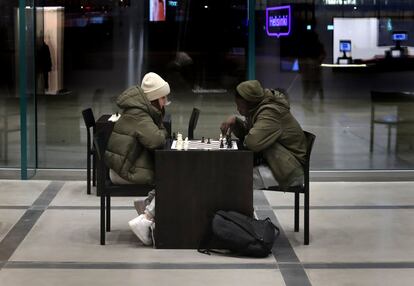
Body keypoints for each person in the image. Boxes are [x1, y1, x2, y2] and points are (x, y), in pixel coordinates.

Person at [104, 72, 170, 246]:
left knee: (170, 175)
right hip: (123, 171)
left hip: (126, 166)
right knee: (172, 179)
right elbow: (156, 139)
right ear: (155, 98)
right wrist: (162, 130)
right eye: (163, 98)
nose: (165, 102)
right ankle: (147, 217)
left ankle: (147, 205)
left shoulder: (140, 112)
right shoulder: (138, 115)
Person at [220, 80, 307, 189]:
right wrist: (235, 122)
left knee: (236, 179)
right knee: (232, 175)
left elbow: (253, 142)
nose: (238, 109)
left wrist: (247, 134)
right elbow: (251, 134)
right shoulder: (259, 107)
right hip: (279, 163)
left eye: (240, 105)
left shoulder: (271, 112)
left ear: (251, 102)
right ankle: (237, 205)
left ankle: (237, 206)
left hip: (290, 171)